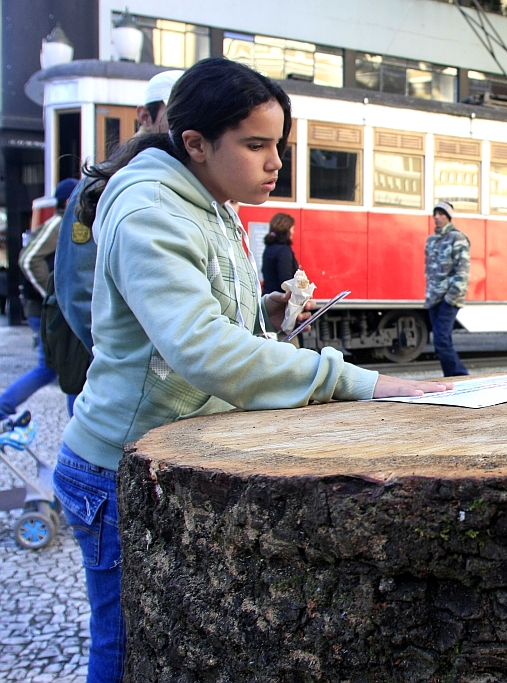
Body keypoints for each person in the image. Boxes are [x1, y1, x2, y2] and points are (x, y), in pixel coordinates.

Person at [51, 58, 452, 683]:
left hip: (164, 453)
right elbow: (200, 348)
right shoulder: (151, 212)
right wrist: (351, 380)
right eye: (256, 145)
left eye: (279, 145)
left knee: (160, 641)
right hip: (114, 466)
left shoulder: (210, 199)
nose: (276, 163)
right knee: (124, 647)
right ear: (196, 143)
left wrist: (265, 312)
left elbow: (196, 320)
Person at [54, 69, 185, 353]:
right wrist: (115, 355)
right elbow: (79, 283)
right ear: (145, 116)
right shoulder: (102, 182)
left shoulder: (186, 180)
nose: (186, 125)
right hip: (113, 360)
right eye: (176, 114)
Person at [0, 178, 78, 420]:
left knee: (63, 366)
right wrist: (54, 295)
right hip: (47, 310)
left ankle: (4, 405)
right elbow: (28, 259)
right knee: (67, 365)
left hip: (47, 309)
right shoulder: (59, 224)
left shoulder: (65, 224)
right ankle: (3, 406)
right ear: (69, 200)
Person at [425, 200, 471, 377]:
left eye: (441, 214)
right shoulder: (431, 240)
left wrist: (451, 297)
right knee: (443, 340)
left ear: (449, 217)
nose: (437, 217)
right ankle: (452, 376)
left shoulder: (457, 238)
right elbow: (429, 270)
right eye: (435, 214)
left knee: (441, 340)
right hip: (433, 298)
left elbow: (462, 271)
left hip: (449, 299)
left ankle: (460, 376)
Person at [261, 212, 299, 294]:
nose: (293, 232)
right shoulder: (284, 251)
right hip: (279, 299)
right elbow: (286, 282)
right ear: (286, 230)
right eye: (292, 229)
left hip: (268, 296)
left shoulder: (269, 248)